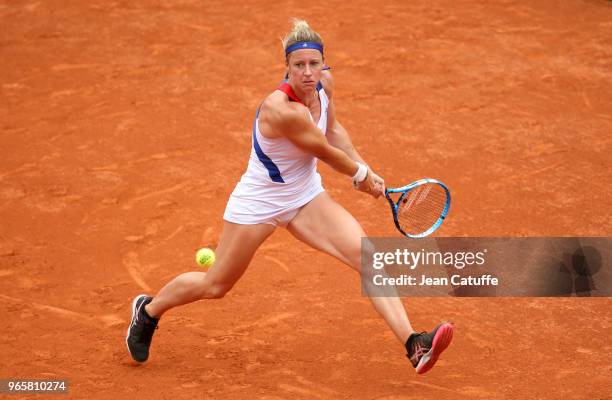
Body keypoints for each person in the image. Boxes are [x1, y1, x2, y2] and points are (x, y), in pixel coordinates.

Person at [126, 19, 453, 375]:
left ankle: (413, 344)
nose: (308, 73)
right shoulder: (281, 110)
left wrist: (365, 167)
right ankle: (149, 311)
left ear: (323, 63)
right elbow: (324, 150)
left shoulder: (325, 86)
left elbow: (334, 130)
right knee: (215, 285)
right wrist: (360, 176)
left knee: (369, 260)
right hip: (259, 203)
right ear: (287, 67)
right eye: (299, 66)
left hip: (305, 197)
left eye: (314, 64)